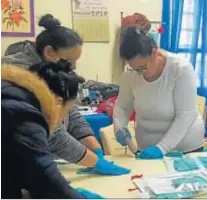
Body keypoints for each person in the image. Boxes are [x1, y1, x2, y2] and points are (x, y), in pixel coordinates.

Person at [1, 14, 129, 175]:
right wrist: (94, 161)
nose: (72, 67)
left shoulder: (50, 70)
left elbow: (69, 110)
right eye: (69, 61)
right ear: (49, 52)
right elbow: (53, 133)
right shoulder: (19, 77)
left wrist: (95, 148)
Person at [1, 61, 103, 198]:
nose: (62, 120)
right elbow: (44, 178)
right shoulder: (23, 116)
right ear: (58, 102)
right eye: (66, 111)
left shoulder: (12, 94)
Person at [113, 26, 204, 159]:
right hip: (146, 147)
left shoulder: (180, 69)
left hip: (185, 148)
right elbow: (122, 106)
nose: (139, 73)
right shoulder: (130, 72)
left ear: (155, 53)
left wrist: (162, 148)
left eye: (143, 67)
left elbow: (186, 115)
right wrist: (120, 126)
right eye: (134, 68)